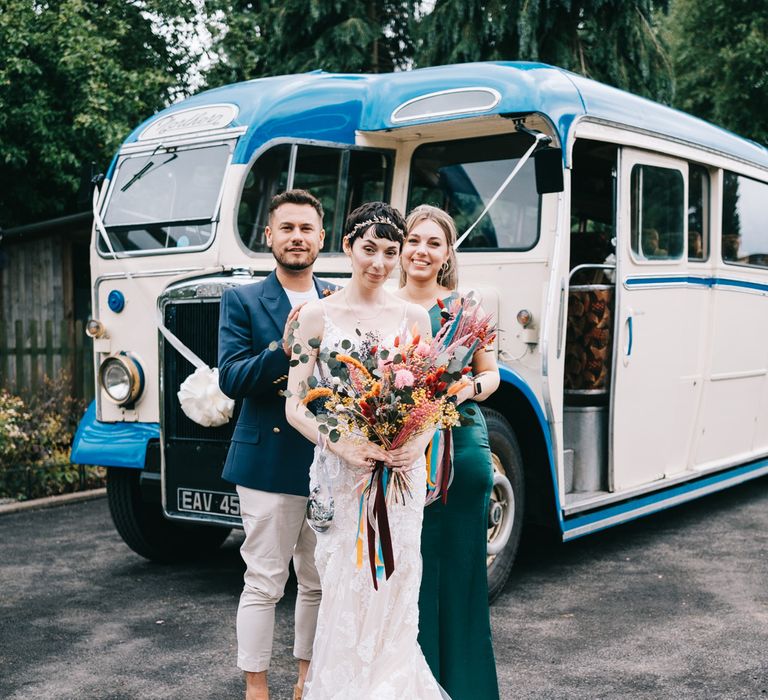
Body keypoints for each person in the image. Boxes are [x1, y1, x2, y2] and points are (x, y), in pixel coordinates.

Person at [285, 202, 448, 699]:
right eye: (369, 249)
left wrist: (412, 445)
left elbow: (433, 399)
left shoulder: (416, 316)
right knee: (344, 585)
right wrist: (342, 444)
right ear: (348, 247)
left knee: (397, 585)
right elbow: (295, 405)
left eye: (390, 252)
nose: (379, 262)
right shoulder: (315, 316)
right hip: (344, 474)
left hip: (401, 476)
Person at [218, 189, 337, 700]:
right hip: (266, 460)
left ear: (322, 238)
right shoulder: (242, 299)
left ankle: (306, 678)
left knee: (316, 580)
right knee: (265, 581)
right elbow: (230, 377)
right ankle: (256, 686)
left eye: (306, 228)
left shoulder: (338, 298)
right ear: (269, 236)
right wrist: (281, 349)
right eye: (286, 228)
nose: (297, 237)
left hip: (331, 462)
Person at [395, 204, 500, 700]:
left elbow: (491, 375)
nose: (422, 251)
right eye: (415, 239)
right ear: (402, 245)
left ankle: (466, 689)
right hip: (401, 455)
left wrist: (464, 389)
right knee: (408, 578)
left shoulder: (467, 310)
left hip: (461, 450)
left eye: (433, 243)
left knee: (461, 579)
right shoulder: (384, 306)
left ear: (447, 253)